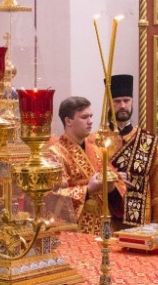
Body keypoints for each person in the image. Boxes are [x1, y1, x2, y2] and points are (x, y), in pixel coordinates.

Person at [102, 74, 158, 229]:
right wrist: (113, 178)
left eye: (126, 100)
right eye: (117, 101)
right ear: (109, 104)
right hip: (107, 218)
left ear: (132, 102)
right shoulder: (96, 141)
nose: (122, 105)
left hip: (140, 221)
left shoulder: (147, 140)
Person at [45, 96, 110, 235]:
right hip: (75, 230)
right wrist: (88, 189)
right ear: (68, 121)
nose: (90, 121)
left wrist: (111, 184)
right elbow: (52, 196)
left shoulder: (96, 150)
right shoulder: (54, 154)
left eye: (91, 116)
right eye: (84, 117)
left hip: (101, 223)